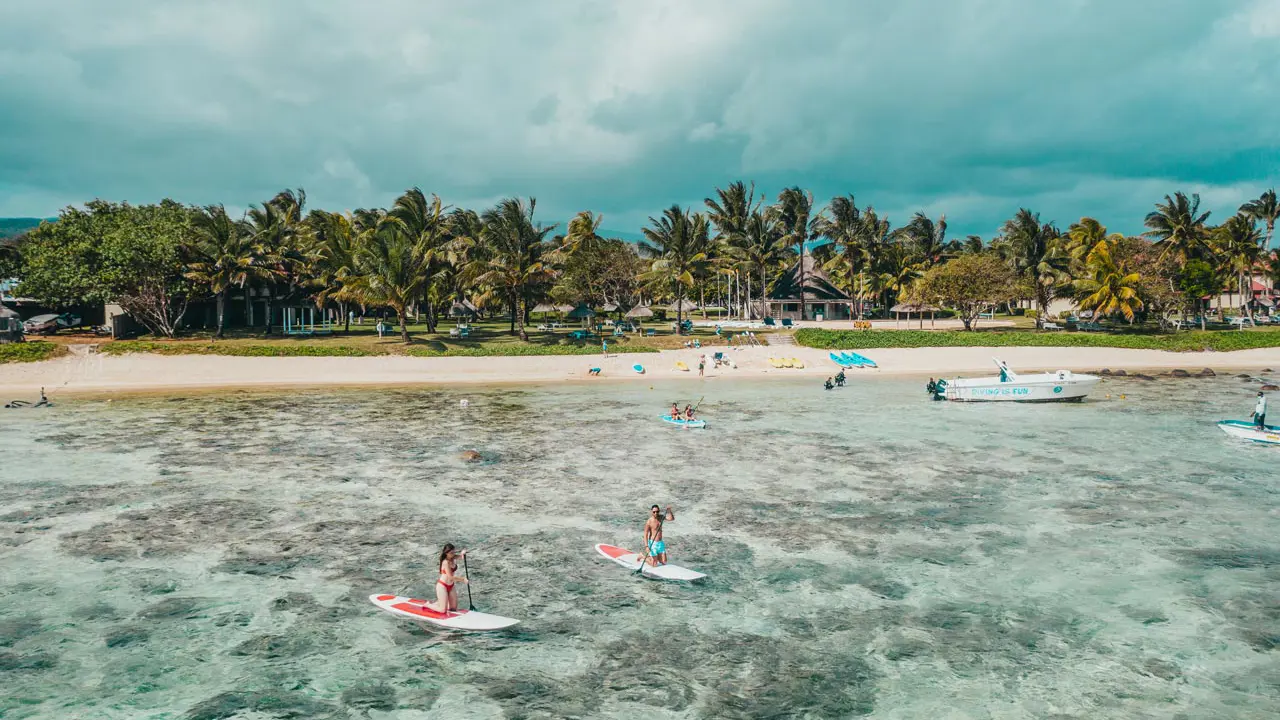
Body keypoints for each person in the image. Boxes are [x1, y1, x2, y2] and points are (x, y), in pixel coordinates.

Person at [425, 544, 467, 613]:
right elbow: (450, 577)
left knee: (453, 608)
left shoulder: (453, 557)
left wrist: (463, 553)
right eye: (451, 553)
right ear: (446, 553)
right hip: (442, 586)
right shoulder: (445, 562)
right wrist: (463, 579)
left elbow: (461, 557)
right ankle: (428, 605)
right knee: (442, 610)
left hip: (451, 586)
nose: (453, 554)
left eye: (454, 552)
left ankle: (440, 601)